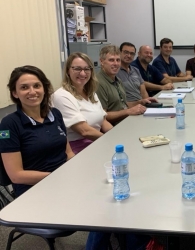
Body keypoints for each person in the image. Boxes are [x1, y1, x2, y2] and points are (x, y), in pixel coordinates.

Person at [0, 66, 74, 197]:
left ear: (44, 89)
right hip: (33, 192)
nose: (32, 91)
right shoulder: (9, 124)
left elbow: (68, 152)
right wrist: (56, 178)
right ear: (15, 93)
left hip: (64, 182)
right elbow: (16, 176)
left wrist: (76, 172)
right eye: (24, 87)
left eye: (36, 86)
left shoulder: (55, 114)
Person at [53, 52, 113, 154]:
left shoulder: (91, 93)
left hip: (96, 141)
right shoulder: (61, 96)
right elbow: (84, 131)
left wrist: (116, 135)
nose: (83, 73)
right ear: (68, 70)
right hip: (76, 149)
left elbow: (103, 122)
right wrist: (110, 141)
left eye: (86, 69)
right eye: (77, 69)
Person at [97, 45, 146, 126]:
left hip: (127, 121)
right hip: (115, 127)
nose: (116, 64)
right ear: (101, 61)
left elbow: (122, 105)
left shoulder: (117, 80)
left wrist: (140, 103)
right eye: (111, 60)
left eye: (118, 60)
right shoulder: (99, 83)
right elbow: (102, 116)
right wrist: (128, 111)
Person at [117, 42, 158, 107]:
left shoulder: (135, 70)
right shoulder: (115, 72)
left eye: (132, 53)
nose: (129, 55)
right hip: (128, 108)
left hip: (141, 106)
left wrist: (148, 104)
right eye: (126, 52)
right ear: (119, 53)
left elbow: (143, 92)